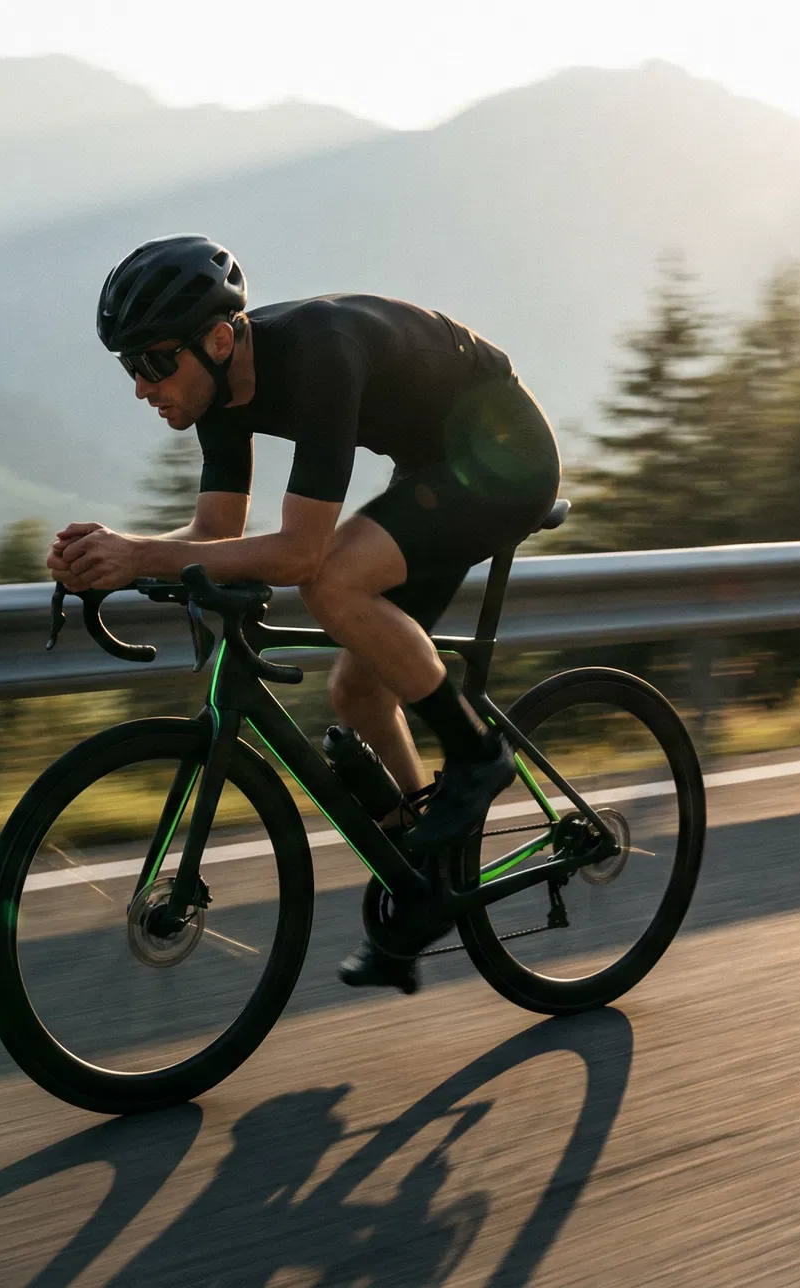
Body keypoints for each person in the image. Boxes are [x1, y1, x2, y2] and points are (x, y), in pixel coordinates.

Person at [49, 234, 562, 994]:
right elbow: (213, 539)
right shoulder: (218, 391)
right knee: (356, 693)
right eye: (130, 366)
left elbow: (298, 554)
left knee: (333, 584)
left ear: (219, 339)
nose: (141, 387)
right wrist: (112, 559)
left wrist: (138, 555)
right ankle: (427, 876)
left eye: (154, 361)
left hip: (503, 455)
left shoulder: (321, 352)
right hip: (434, 469)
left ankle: (478, 757)